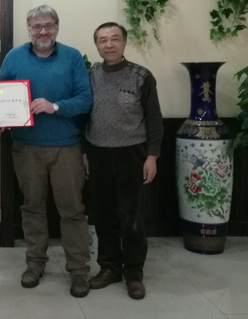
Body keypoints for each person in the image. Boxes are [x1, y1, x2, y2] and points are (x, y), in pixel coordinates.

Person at [0, 4, 92, 298]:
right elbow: (1, 96)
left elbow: (85, 99)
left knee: (72, 210)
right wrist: (0, 117)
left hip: (66, 148)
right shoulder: (13, 57)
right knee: (32, 208)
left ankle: (79, 271)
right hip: (26, 147)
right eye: (36, 26)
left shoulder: (72, 57)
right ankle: (35, 264)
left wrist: (56, 106)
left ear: (56, 27)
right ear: (28, 29)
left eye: (48, 25)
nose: (42, 31)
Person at [85, 22, 163, 300]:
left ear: (124, 42)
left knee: (132, 217)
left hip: (132, 153)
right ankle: (109, 267)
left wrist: (152, 156)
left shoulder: (141, 76)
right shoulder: (91, 75)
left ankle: (133, 273)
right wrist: (84, 152)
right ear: (96, 45)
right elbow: (83, 116)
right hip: (97, 153)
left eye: (114, 39)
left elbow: (154, 119)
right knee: (103, 214)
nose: (109, 44)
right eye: (102, 40)